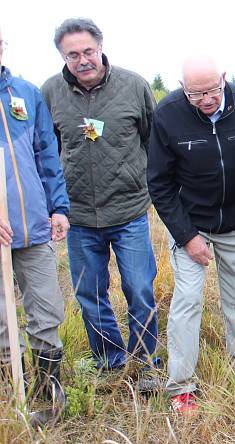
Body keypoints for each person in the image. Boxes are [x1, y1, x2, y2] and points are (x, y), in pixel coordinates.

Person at [41, 18, 159, 389]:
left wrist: (150, 191)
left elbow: (154, 143)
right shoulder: (50, 93)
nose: (82, 60)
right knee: (89, 294)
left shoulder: (134, 86)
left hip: (128, 212)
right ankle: (110, 362)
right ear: (63, 56)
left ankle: (145, 363)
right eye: (72, 54)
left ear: (101, 46)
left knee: (139, 288)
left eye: (88, 51)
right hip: (78, 216)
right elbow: (47, 151)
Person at [147, 56, 235, 415]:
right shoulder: (167, 115)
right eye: (195, 94)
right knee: (187, 302)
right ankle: (182, 388)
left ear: (223, 79)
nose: (206, 99)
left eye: (212, 90)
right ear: (183, 88)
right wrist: (187, 236)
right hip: (192, 224)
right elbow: (160, 183)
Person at [0, 29, 70, 416]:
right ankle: (13, 394)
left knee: (46, 311)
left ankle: (47, 392)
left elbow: (47, 156)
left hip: (33, 230)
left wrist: (58, 208)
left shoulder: (25, 95)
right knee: (1, 318)